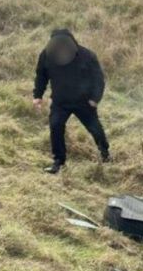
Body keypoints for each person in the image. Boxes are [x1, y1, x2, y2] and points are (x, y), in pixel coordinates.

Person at [33, 29, 110, 173]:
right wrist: (38, 95)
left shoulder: (86, 55)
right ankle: (58, 162)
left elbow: (98, 79)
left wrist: (95, 99)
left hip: (84, 102)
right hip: (60, 102)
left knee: (95, 128)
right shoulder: (47, 55)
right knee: (55, 127)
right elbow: (41, 75)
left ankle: (105, 154)